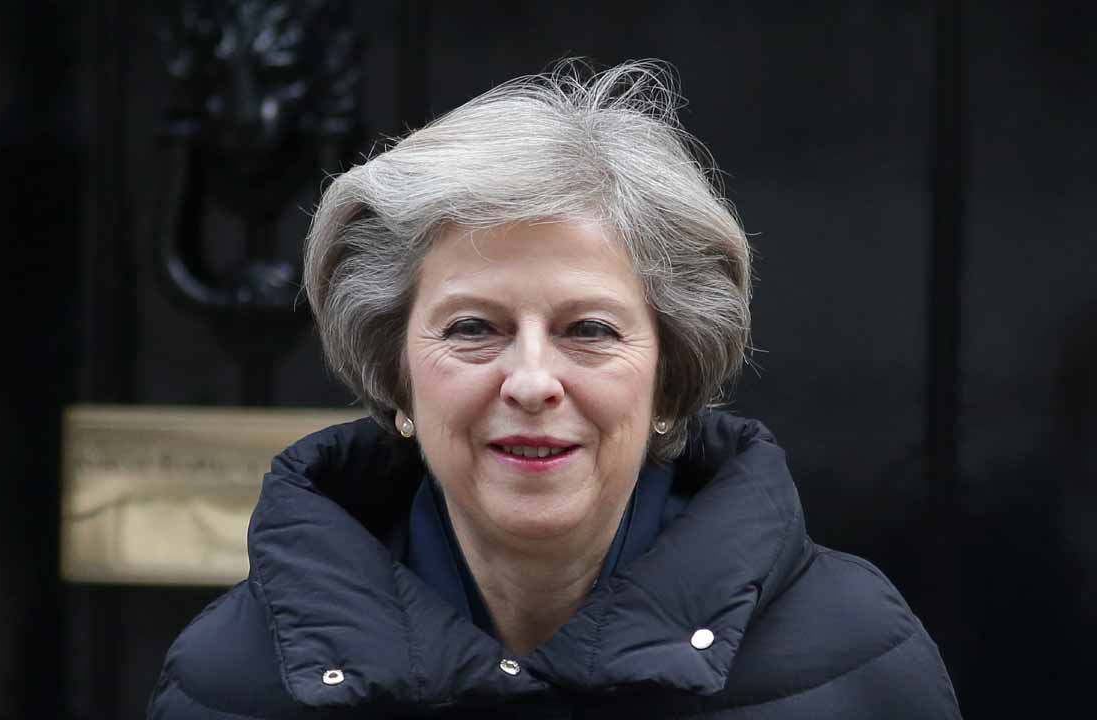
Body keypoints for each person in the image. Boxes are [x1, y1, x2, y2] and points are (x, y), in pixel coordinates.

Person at [148, 61, 962, 719]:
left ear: (670, 381)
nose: (533, 381)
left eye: (589, 330)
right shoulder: (233, 681)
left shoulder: (857, 659)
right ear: (395, 375)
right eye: (473, 329)